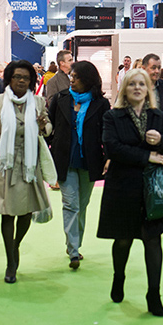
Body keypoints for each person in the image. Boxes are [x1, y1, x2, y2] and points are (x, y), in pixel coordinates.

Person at [97, 68, 163, 316]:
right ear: (125, 89)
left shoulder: (158, 115)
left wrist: (160, 140)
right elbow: (113, 149)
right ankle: (119, 278)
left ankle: (154, 294)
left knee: (153, 240)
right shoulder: (112, 116)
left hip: (152, 188)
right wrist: (146, 155)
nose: (137, 88)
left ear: (148, 89)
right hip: (122, 186)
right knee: (123, 239)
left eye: (142, 84)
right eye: (132, 84)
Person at [0, 60, 52, 284]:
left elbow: (48, 131)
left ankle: (16, 245)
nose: (21, 81)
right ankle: (11, 261)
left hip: (29, 166)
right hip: (4, 166)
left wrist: (43, 125)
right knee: (8, 213)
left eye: (26, 78)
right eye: (17, 77)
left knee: (25, 212)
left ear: (32, 81)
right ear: (9, 79)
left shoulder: (39, 102)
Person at [48, 61, 110, 270]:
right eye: (71, 76)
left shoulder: (101, 104)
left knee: (82, 206)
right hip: (64, 159)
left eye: (75, 76)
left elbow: (106, 133)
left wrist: (109, 156)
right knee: (71, 204)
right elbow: (49, 127)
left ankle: (74, 243)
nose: (71, 79)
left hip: (90, 160)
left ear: (88, 79)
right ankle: (74, 250)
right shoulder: (61, 98)